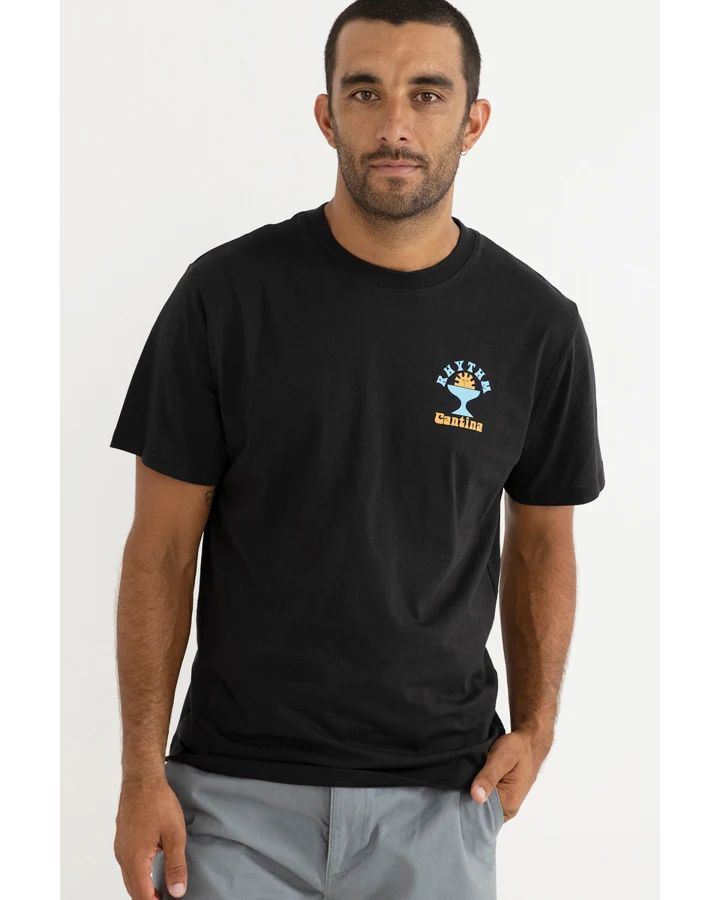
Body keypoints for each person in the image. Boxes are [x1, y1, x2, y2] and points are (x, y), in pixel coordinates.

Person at [110, 1, 605, 898]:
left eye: (428, 94)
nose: (395, 125)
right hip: (231, 798)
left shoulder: (537, 326)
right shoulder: (225, 297)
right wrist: (141, 769)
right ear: (327, 113)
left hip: (442, 799)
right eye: (366, 92)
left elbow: (543, 543)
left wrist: (537, 728)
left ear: (473, 121)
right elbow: (161, 549)